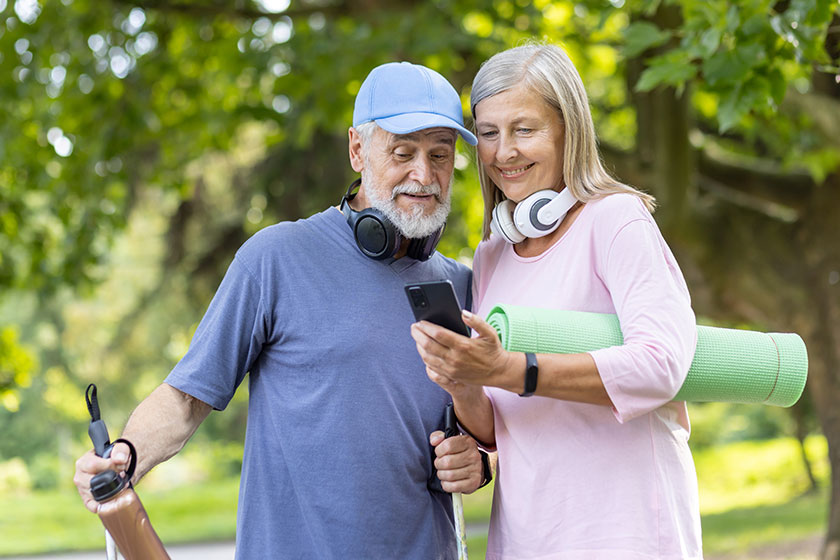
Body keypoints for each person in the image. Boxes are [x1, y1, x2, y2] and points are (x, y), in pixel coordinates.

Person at [74, 61, 491, 558]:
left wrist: (481, 462)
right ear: (357, 149)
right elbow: (187, 398)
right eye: (403, 152)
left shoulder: (464, 286)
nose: (424, 175)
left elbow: (499, 430)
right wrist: (127, 455)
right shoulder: (275, 259)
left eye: (440, 155)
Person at [410, 42, 703, 558]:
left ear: (569, 130)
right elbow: (500, 427)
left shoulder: (616, 220)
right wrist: (464, 382)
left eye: (525, 129)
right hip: (527, 539)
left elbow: (662, 366)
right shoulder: (493, 254)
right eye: (488, 133)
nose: (505, 152)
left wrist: (508, 369)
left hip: (625, 534)